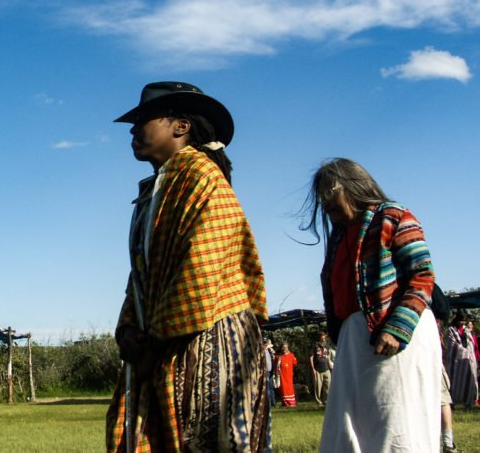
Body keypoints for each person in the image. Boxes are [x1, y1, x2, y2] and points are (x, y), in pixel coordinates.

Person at [106, 81, 271, 452]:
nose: (133, 130)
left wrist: (158, 339)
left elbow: (203, 265)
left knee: (207, 439)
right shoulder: (154, 190)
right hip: (165, 334)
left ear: (180, 127)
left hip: (207, 331)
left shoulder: (202, 176)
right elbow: (142, 274)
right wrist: (128, 327)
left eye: (144, 119)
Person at [303, 158, 440, 452]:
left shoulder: (394, 216)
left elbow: (422, 275)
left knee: (395, 421)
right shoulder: (340, 236)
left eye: (331, 195)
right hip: (356, 340)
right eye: (322, 200)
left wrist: (398, 328)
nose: (326, 207)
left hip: (395, 337)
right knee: (349, 426)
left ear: (353, 186)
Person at [444, 312, 480, 407]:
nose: (462, 323)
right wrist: (461, 349)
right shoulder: (451, 330)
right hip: (455, 361)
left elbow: (471, 342)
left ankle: (469, 401)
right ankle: (453, 402)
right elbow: (450, 343)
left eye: (464, 321)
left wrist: (468, 351)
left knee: (469, 380)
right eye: (461, 320)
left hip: (467, 360)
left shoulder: (467, 330)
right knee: (454, 381)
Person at [309, 330, 334, 407]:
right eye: (322, 337)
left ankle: (326, 400)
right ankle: (318, 402)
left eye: (324, 337)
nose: (323, 339)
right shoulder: (315, 345)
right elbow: (311, 357)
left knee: (328, 385)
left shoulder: (327, 345)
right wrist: (313, 369)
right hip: (317, 369)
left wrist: (330, 365)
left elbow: (328, 356)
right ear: (319, 337)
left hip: (326, 368)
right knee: (318, 387)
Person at [277, 343, 298, 407]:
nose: (284, 349)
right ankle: (284, 402)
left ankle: (291, 403)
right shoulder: (278, 356)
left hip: (289, 375)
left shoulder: (291, 355)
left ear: (288, 348)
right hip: (282, 376)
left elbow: (295, 363)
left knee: (290, 389)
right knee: (283, 389)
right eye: (283, 347)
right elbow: (276, 366)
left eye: (286, 347)